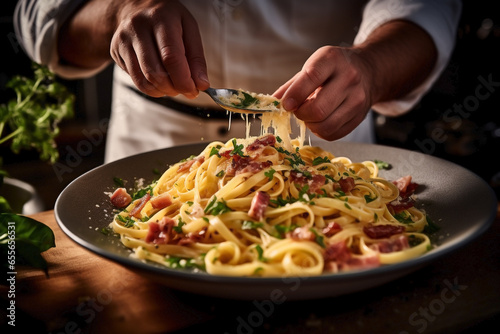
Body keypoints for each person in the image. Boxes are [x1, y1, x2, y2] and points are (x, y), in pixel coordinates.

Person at [14, 0, 462, 163]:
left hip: (327, 140)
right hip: (148, 142)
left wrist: (371, 68)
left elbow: (428, 10)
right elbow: (38, 17)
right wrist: (116, 12)